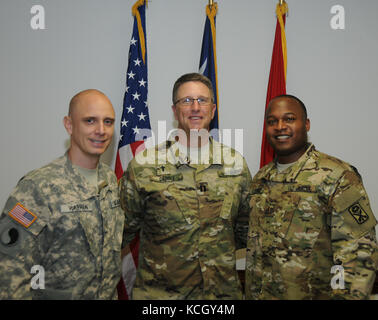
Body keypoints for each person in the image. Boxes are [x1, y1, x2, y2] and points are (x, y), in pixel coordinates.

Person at [119, 73, 252, 299]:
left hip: (220, 297)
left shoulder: (235, 164)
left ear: (213, 109)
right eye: (187, 101)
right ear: (174, 110)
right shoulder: (144, 165)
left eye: (202, 100)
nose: (195, 107)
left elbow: (244, 230)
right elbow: (120, 233)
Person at [245, 94, 378, 299]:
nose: (280, 126)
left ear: (306, 124)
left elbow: (358, 256)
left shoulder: (338, 177)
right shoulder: (261, 179)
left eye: (289, 119)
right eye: (272, 121)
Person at [0, 89, 124, 299]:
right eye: (90, 121)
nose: (101, 130)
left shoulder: (109, 181)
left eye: (108, 122)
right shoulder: (38, 187)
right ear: (69, 125)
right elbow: (9, 272)